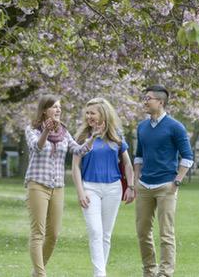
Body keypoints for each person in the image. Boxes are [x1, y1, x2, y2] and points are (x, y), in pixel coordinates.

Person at [25, 94, 97, 277]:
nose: (58, 110)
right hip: (37, 185)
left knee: (54, 234)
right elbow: (37, 147)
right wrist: (46, 132)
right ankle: (41, 274)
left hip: (57, 187)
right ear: (44, 110)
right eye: (55, 107)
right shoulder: (32, 129)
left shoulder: (64, 132)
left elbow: (78, 150)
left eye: (60, 107)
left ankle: (36, 272)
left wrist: (93, 138)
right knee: (37, 232)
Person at [133, 85, 193, 277]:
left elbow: (187, 157)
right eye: (144, 98)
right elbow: (138, 156)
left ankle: (165, 273)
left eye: (148, 98)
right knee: (143, 233)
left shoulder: (175, 127)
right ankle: (149, 271)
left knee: (166, 234)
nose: (145, 101)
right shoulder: (141, 127)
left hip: (166, 187)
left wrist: (177, 182)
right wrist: (136, 181)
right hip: (144, 186)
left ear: (160, 102)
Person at [72, 97, 135, 277]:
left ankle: (99, 272)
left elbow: (128, 164)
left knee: (106, 234)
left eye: (93, 113)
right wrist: (80, 191)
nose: (89, 116)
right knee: (95, 231)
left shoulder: (117, 136)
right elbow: (75, 166)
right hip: (90, 187)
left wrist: (130, 186)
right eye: (87, 113)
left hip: (113, 189)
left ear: (103, 114)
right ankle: (100, 274)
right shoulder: (82, 137)